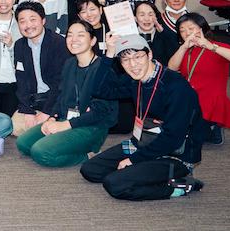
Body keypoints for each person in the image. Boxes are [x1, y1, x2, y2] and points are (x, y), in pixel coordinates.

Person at [80, 34, 208, 201]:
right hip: (143, 142)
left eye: (138, 56)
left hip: (175, 154)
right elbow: (99, 90)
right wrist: (109, 55)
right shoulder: (136, 80)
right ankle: (140, 173)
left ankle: (179, 186)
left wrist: (133, 160)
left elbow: (173, 139)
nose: (133, 64)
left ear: (149, 55)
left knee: (115, 184)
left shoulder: (175, 86)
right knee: (91, 170)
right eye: (125, 60)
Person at [16, 20, 116, 168]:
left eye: (80, 35)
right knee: (23, 143)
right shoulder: (69, 64)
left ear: (93, 40)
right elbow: (60, 96)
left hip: (91, 126)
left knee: (41, 152)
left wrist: (65, 126)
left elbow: (100, 112)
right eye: (70, 35)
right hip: (65, 118)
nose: (74, 40)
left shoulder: (103, 69)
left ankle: (89, 154)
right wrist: (52, 118)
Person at [168, 12, 230, 145]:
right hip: (189, 99)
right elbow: (171, 68)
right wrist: (182, 48)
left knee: (188, 136)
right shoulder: (186, 49)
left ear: (202, 28)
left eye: (191, 28)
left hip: (210, 102)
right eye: (182, 31)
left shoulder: (217, 47)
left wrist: (212, 47)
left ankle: (213, 127)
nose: (187, 33)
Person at [12, 1, 69, 136]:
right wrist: (28, 111)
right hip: (34, 101)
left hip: (56, 100)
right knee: (15, 127)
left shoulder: (58, 43)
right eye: (22, 21)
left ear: (43, 20)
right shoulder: (19, 45)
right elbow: (21, 81)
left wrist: (46, 113)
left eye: (33, 20)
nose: (28, 25)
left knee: (47, 129)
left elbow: (60, 83)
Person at [135, 1, 179, 66]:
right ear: (135, 18)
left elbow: (176, 55)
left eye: (150, 15)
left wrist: (163, 32)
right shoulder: (129, 37)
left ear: (156, 17)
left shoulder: (165, 35)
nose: (147, 19)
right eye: (142, 15)